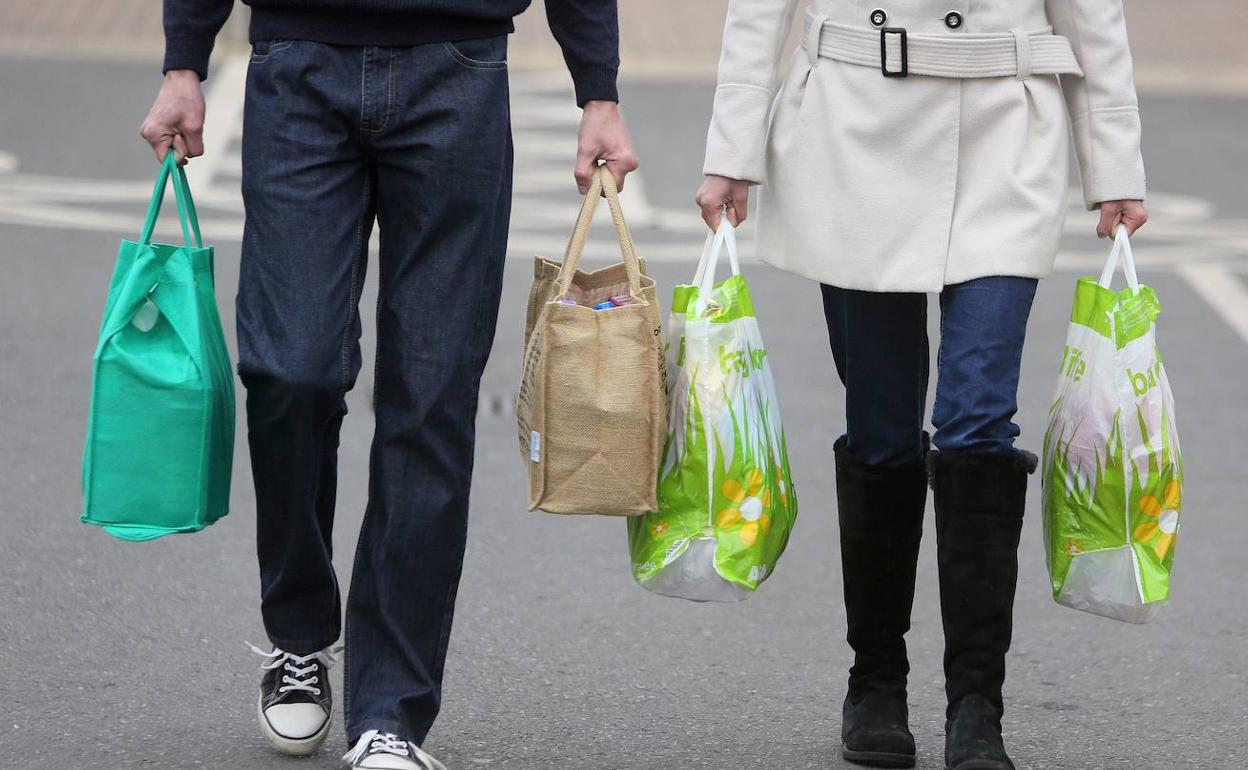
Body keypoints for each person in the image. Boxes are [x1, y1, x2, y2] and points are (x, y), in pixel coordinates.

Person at [140, 1, 638, 767]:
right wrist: (183, 60)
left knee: (431, 397)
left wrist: (598, 91)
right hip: (298, 61)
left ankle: (391, 714)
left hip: (459, 68)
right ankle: (300, 633)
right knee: (290, 370)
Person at [696, 2, 1147, 769]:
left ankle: (977, 708)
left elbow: (1091, 12)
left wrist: (1116, 164)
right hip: (851, 128)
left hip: (1007, 132)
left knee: (978, 421)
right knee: (882, 429)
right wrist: (731, 150)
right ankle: (875, 681)